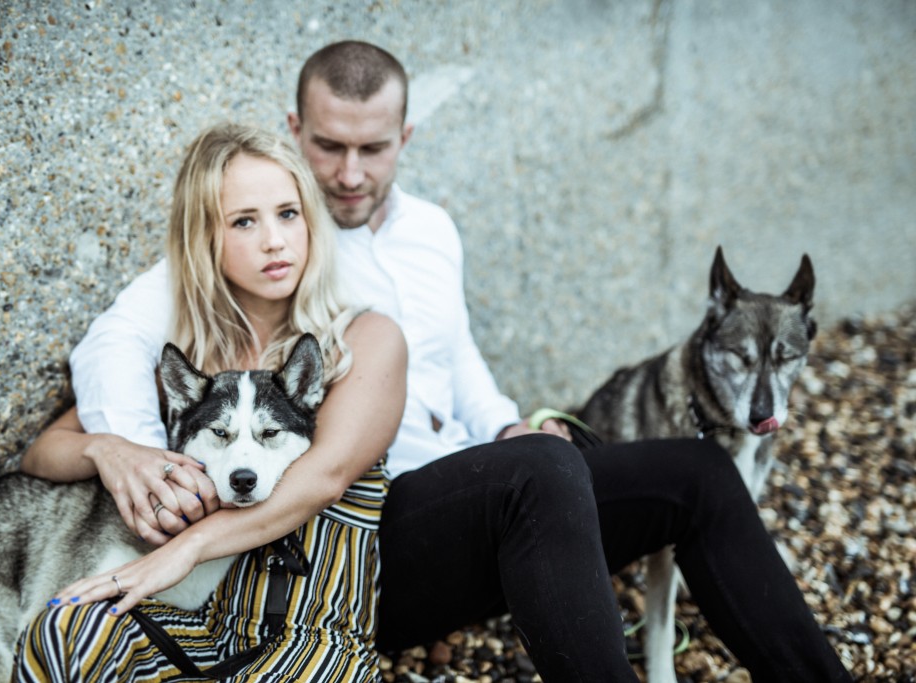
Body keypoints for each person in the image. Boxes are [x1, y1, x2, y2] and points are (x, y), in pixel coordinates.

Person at [66, 42, 852, 682]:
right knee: (541, 471)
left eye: (370, 149)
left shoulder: (418, 239)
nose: (346, 174)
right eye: (327, 148)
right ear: (295, 134)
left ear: (404, 139)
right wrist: (131, 453)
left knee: (695, 473)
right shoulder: (268, 260)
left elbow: (460, 352)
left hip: (474, 483)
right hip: (363, 535)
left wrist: (505, 421)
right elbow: (110, 355)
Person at [14, 122, 407, 681]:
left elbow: (324, 477)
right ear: (206, 237)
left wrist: (180, 551)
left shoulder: (359, 339)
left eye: (288, 213)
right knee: (62, 632)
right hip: (193, 616)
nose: (275, 240)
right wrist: (112, 451)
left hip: (300, 631)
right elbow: (41, 453)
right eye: (245, 221)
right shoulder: (195, 363)